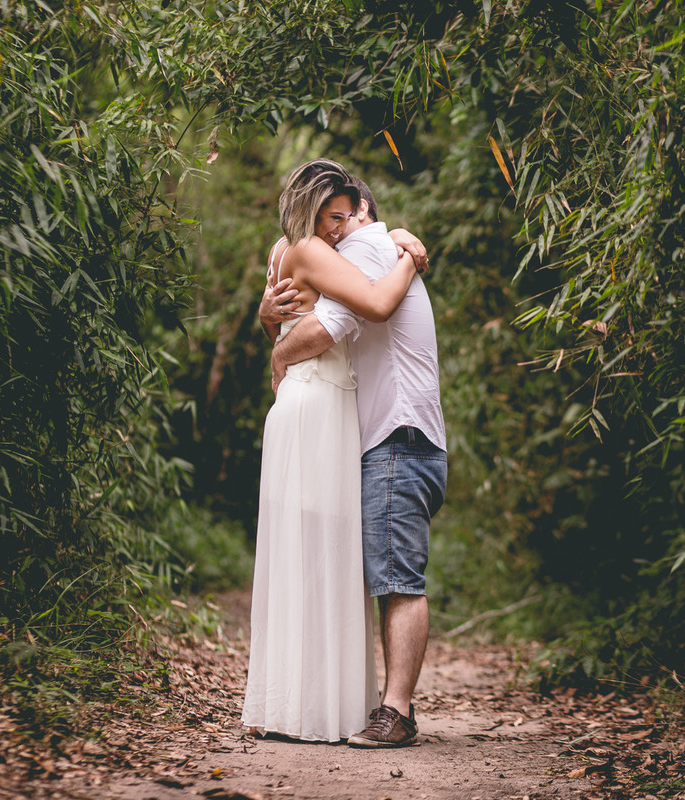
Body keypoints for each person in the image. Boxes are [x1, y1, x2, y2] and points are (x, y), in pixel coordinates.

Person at [260, 174, 447, 748]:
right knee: (382, 573)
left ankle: (397, 712)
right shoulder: (362, 249)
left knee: (398, 578)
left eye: (347, 216)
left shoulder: (370, 246)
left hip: (398, 437)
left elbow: (331, 325)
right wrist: (270, 316)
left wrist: (277, 353)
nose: (339, 229)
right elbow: (305, 314)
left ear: (363, 210)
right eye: (330, 219)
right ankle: (369, 703)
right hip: (397, 438)